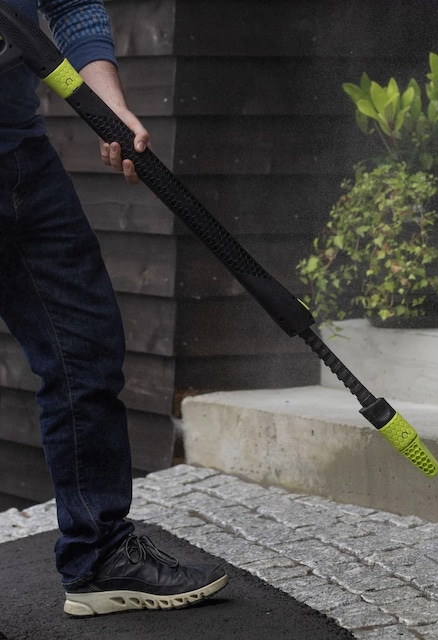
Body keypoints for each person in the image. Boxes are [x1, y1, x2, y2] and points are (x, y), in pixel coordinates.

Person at [0, 0, 228, 616]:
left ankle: (98, 558)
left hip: (21, 161)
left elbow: (71, 4)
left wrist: (110, 108)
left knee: (85, 351)